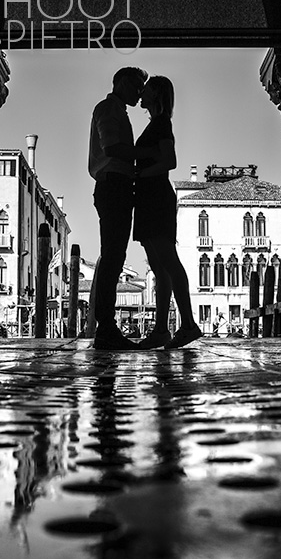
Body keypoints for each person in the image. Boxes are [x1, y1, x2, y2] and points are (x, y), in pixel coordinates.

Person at [132, 75, 203, 349]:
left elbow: (169, 161)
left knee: (168, 261)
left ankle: (187, 324)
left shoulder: (161, 123)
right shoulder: (155, 123)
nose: (142, 91)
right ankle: (162, 329)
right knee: (159, 265)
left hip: (156, 196)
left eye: (147, 88)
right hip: (149, 197)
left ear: (157, 94)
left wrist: (139, 173)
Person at [88, 66, 148, 350]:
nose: (139, 92)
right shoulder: (108, 109)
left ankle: (106, 327)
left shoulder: (117, 111)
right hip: (113, 184)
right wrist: (146, 154)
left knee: (113, 255)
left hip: (116, 185)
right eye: (136, 86)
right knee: (112, 256)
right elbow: (112, 147)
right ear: (121, 83)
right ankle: (106, 329)